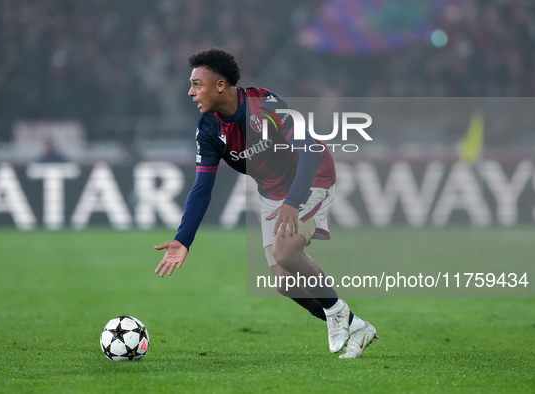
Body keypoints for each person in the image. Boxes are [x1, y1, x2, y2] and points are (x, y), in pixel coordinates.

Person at [155, 48, 377, 358]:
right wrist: (183, 240)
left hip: (311, 178)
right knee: (285, 283)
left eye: (196, 84)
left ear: (220, 85)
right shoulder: (207, 129)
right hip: (273, 192)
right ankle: (356, 326)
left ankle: (338, 312)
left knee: (286, 252)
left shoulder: (265, 104)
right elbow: (202, 187)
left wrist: (293, 201)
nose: (190, 92)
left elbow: (310, 151)